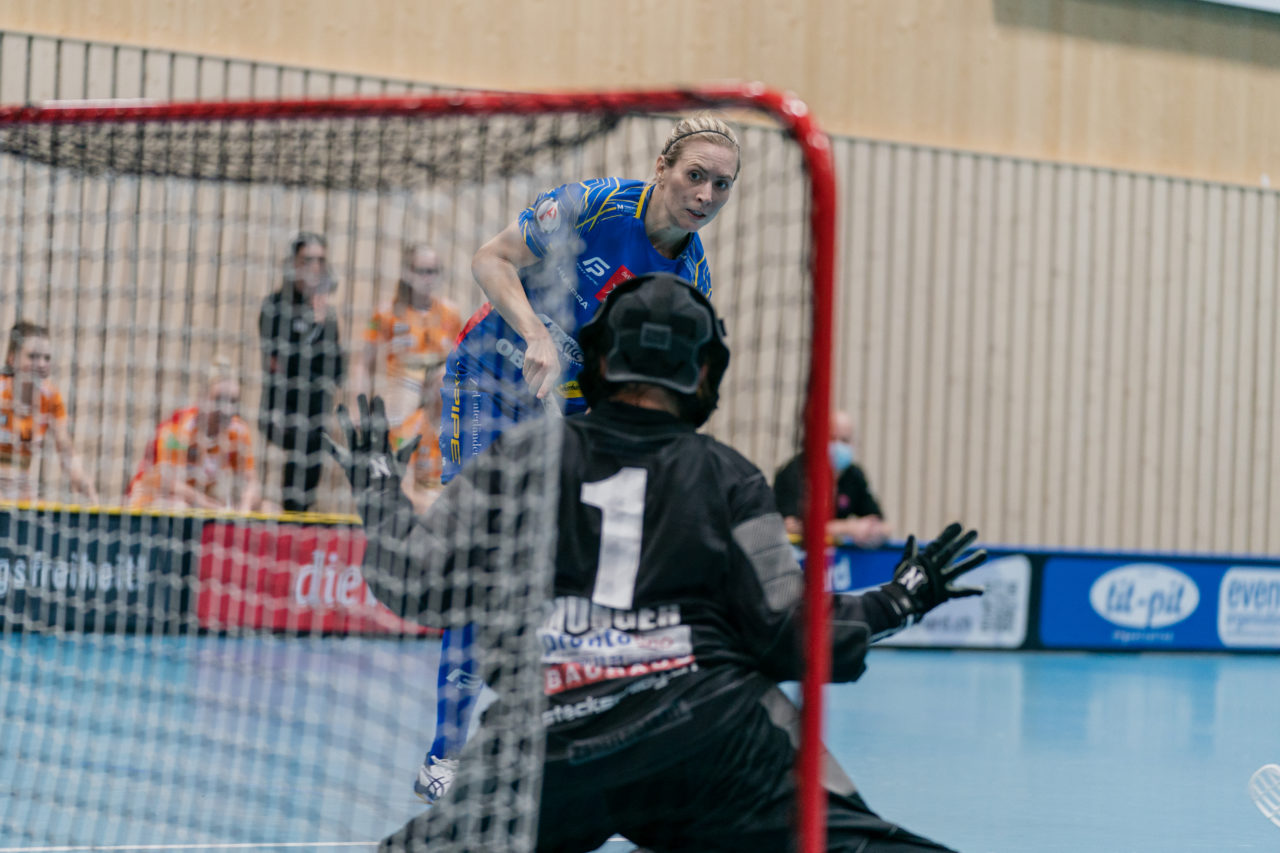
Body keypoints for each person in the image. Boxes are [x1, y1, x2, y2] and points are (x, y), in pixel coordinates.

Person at [329, 272, 987, 852]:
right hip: (707, 739)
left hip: (548, 745)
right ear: (705, 374)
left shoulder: (522, 455)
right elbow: (793, 634)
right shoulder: (730, 477)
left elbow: (415, 583)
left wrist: (380, 491)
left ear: (598, 359)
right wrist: (898, 599)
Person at [421, 113, 743, 802]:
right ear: (662, 167)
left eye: (722, 185)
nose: (706, 195)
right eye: (696, 176)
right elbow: (490, 258)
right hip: (489, 381)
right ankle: (443, 754)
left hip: (571, 415)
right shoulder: (592, 205)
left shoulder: (689, 282)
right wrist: (536, 333)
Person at [258, 232, 346, 513]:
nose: (315, 266)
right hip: (282, 408)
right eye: (308, 259)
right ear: (294, 263)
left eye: (320, 260)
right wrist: (314, 328)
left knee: (316, 442)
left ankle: (300, 515)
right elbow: (286, 363)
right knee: (303, 438)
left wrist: (323, 323)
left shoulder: (327, 314)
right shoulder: (275, 307)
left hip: (315, 411)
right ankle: (292, 514)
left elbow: (337, 370)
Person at [126, 359, 270, 513]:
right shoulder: (177, 430)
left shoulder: (237, 432)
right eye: (219, 400)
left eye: (233, 401)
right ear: (202, 398)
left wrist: (245, 508)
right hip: (151, 501)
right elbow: (169, 484)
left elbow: (251, 483)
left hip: (199, 505)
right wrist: (213, 507)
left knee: (269, 508)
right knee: (179, 506)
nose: (227, 410)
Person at [352, 243, 462, 428]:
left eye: (433, 271)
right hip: (401, 390)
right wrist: (356, 407)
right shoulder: (388, 312)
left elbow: (461, 361)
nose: (428, 278)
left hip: (438, 393)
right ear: (407, 272)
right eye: (422, 271)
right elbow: (363, 364)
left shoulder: (450, 313)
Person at [0, 321, 99, 504]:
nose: (41, 364)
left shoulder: (51, 398)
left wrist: (80, 477)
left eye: (46, 358)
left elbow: (65, 446)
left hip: (19, 490)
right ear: (12, 359)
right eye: (33, 357)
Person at [774, 409, 892, 549]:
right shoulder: (795, 472)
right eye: (832, 438)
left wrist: (872, 530)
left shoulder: (853, 475)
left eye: (845, 440)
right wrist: (849, 528)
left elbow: (882, 524)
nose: (839, 446)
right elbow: (792, 525)